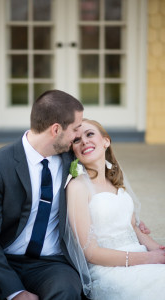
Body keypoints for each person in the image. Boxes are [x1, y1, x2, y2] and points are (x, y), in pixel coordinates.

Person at [0, 90, 85, 300]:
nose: (79, 136)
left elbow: (107, 180)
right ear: (56, 129)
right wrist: (16, 291)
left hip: (50, 263)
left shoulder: (72, 159)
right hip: (0, 259)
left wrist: (132, 224)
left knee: (67, 291)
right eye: (76, 129)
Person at [66, 118, 165, 300]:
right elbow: (90, 252)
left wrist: (160, 251)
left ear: (106, 141)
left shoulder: (115, 183)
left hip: (141, 259)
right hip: (110, 271)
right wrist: (150, 259)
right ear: (73, 149)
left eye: (90, 134)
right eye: (77, 140)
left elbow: (134, 230)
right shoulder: (77, 187)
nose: (85, 141)